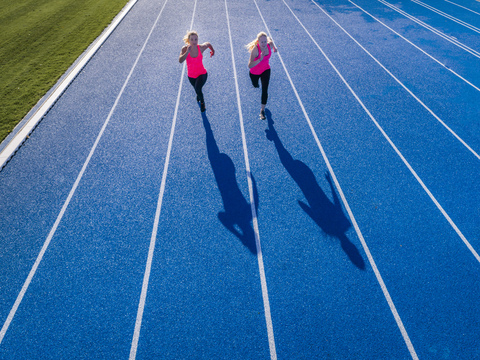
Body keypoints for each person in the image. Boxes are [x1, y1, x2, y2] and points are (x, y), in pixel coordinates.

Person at [179, 31, 215, 112]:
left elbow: (208, 44)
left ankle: (202, 103)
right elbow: (180, 60)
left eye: (196, 39)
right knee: (197, 89)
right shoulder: (184, 49)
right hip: (191, 76)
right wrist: (187, 52)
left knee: (198, 89)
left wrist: (213, 50)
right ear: (189, 40)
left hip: (202, 73)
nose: (194, 41)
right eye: (192, 39)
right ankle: (198, 95)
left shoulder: (201, 47)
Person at [246, 32, 277, 120]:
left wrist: (274, 47)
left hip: (266, 70)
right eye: (261, 42)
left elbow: (271, 40)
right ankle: (256, 84)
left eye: (265, 41)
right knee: (255, 85)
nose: (264, 44)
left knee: (265, 90)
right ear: (258, 42)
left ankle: (262, 110)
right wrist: (260, 59)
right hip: (254, 72)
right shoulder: (255, 50)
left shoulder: (269, 44)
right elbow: (249, 65)